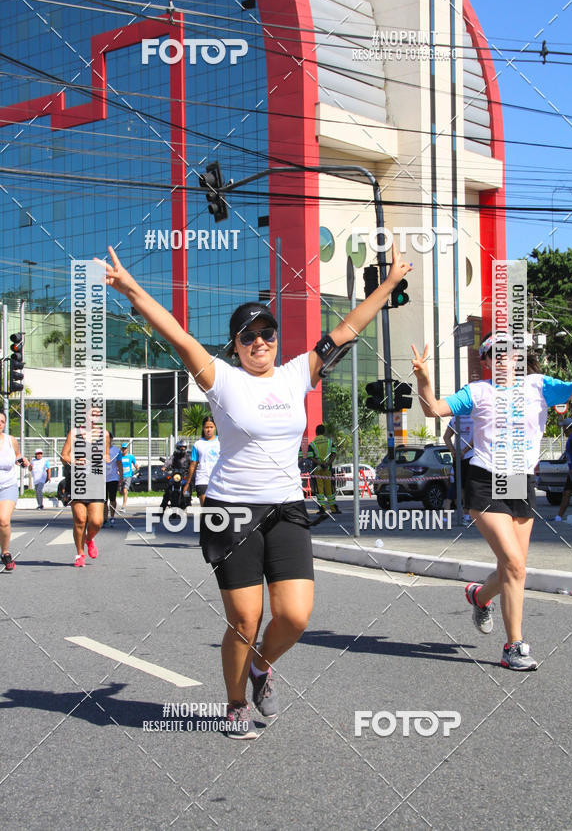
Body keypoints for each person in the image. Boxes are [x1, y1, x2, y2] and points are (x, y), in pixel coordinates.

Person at [97, 243, 411, 738]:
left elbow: (345, 332)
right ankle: (236, 700)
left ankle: (262, 666)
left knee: (296, 616)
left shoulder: (295, 376)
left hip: (286, 509)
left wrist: (388, 286)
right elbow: (176, 333)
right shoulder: (221, 380)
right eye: (249, 335)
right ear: (236, 344)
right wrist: (132, 288)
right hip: (231, 511)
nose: (260, 341)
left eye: (267, 333)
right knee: (245, 617)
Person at [411, 325, 572, 671]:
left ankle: (479, 596)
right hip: (484, 480)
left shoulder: (538, 386)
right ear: (485, 360)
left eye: (509, 352)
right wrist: (424, 378)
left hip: (519, 479)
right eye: (494, 353)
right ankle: (514, 646)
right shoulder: (477, 392)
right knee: (514, 564)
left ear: (519, 357)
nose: (503, 358)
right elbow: (433, 409)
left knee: (514, 568)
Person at [60, 406, 110, 567]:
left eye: (98, 414)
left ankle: (89, 539)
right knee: (80, 520)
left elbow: (107, 454)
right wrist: (75, 460)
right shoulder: (74, 433)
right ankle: (79, 554)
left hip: (96, 481)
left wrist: (106, 457)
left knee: (96, 521)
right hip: (78, 481)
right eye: (92, 413)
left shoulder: (105, 435)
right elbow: (64, 456)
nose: (95, 416)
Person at [0, 409, 30, 572]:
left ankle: (5, 552)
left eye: (2, 421)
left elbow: (18, 456)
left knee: (3, 520)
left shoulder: (10, 440)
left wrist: (23, 460)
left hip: (7, 486)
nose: (0, 424)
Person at [443, 415, 474, 523]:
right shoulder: (475, 418)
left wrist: (453, 451)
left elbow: (446, 437)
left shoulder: (454, 419)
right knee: (468, 487)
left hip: (458, 457)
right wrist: (464, 451)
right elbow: (476, 438)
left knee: (459, 487)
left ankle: (463, 515)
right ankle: (466, 515)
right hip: (470, 456)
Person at [183, 416, 220, 506]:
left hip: (218, 479)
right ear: (203, 428)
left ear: (215, 427)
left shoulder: (221, 441)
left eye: (211, 427)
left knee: (218, 511)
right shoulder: (198, 444)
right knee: (206, 509)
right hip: (202, 479)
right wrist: (187, 483)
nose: (209, 430)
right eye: (206, 427)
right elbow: (193, 464)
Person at [307, 424, 340, 515]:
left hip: (317, 470)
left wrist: (320, 464)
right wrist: (327, 464)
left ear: (316, 432)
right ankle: (333, 508)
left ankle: (322, 508)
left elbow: (310, 457)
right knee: (330, 488)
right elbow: (334, 454)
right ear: (324, 432)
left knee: (319, 489)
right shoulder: (329, 442)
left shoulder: (313, 444)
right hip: (327, 470)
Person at [160, 441, 191, 513]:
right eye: (181, 447)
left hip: (184, 475)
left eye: (184, 447)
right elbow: (169, 461)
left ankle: (188, 499)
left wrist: (194, 467)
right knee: (167, 491)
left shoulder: (188, 456)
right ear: (177, 448)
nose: (182, 448)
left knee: (189, 484)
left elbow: (193, 463)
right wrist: (164, 467)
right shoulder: (174, 455)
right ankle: (161, 510)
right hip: (175, 475)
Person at [104, 432, 122, 527]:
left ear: (111, 439)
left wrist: (121, 478)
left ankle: (112, 516)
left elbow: (119, 464)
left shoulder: (116, 451)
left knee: (112, 499)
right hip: (102, 479)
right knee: (104, 500)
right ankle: (104, 519)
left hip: (113, 478)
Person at [117, 442, 137, 511]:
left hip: (128, 475)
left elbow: (136, 464)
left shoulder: (131, 457)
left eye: (125, 448)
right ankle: (122, 492)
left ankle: (123, 506)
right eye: (123, 448)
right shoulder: (119, 457)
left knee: (125, 490)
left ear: (127, 449)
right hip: (121, 476)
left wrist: (136, 468)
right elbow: (117, 465)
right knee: (120, 491)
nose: (124, 450)